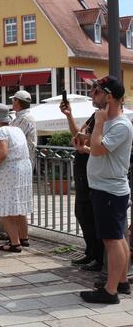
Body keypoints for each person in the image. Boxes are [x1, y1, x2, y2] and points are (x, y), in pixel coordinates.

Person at [80, 76, 133, 304]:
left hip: (109, 190)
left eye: (97, 92)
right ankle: (121, 282)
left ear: (109, 96)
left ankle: (110, 291)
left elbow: (99, 150)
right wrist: (85, 142)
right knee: (118, 238)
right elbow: (96, 149)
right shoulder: (112, 122)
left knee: (112, 241)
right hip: (106, 188)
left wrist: (99, 123)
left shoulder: (120, 124)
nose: (92, 95)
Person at [60, 89, 104, 272]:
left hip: (92, 170)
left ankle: (98, 258)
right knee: (82, 212)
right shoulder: (95, 115)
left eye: (95, 92)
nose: (92, 95)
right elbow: (78, 135)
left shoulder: (106, 118)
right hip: (83, 169)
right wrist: (69, 115)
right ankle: (91, 252)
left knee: (90, 214)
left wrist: (84, 146)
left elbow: (99, 146)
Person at [0, 104, 33, 252]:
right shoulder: (17, 129)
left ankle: (14, 243)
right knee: (19, 204)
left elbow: (2, 153)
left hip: (10, 169)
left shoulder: (1, 131)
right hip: (24, 167)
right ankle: (24, 238)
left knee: (5, 206)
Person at [0, 90, 37, 246]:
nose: (12, 103)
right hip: (23, 163)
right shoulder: (19, 117)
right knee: (18, 201)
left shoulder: (24, 119)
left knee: (11, 201)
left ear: (18, 102)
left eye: (13, 100)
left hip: (17, 163)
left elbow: (10, 143)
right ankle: (20, 236)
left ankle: (14, 239)